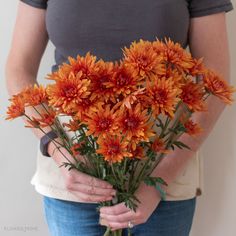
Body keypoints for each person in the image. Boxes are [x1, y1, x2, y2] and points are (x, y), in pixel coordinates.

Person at [5, 0, 233, 235]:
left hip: (164, 167)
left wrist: (159, 180)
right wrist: (56, 147)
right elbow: (19, 69)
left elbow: (215, 84)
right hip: (72, 169)